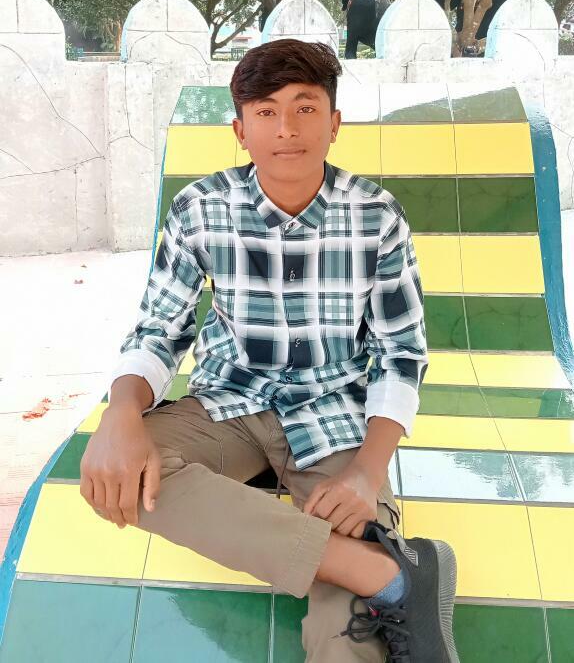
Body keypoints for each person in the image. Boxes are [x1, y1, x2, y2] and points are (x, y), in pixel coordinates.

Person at [80, 38, 459, 662]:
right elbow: (158, 330)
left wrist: (367, 473)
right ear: (240, 129)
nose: (287, 128)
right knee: (116, 476)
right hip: (225, 404)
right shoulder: (200, 209)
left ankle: (369, 573)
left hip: (333, 416)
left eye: (306, 108)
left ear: (334, 124)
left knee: (346, 628)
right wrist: (121, 412)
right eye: (266, 111)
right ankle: (387, 574)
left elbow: (401, 353)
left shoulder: (377, 216)